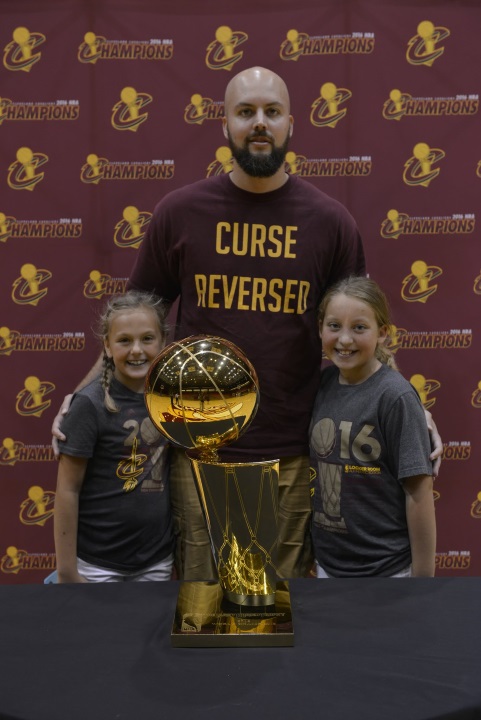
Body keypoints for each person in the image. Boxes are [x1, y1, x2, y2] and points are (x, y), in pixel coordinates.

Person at [52, 66, 441, 581]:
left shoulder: (330, 222)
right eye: (246, 112)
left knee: (274, 621)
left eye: (271, 112)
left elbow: (363, 324)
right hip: (196, 455)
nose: (259, 123)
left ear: (290, 125)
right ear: (226, 126)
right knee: (203, 615)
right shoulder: (179, 213)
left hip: (294, 457)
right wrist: (80, 394)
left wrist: (413, 407)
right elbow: (132, 328)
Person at [310, 276, 436, 578]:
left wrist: (423, 585)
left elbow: (418, 495)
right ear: (320, 329)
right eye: (334, 326)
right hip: (329, 567)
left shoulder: (396, 396)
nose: (344, 339)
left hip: (387, 572)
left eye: (359, 327)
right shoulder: (321, 385)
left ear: (383, 333)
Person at [53, 291, 174, 582]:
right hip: (97, 566)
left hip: (156, 562)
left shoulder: (171, 399)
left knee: (150, 629)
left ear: (163, 343)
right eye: (124, 341)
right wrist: (67, 571)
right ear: (107, 346)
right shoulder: (90, 404)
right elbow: (67, 490)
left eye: (147, 339)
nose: (136, 350)